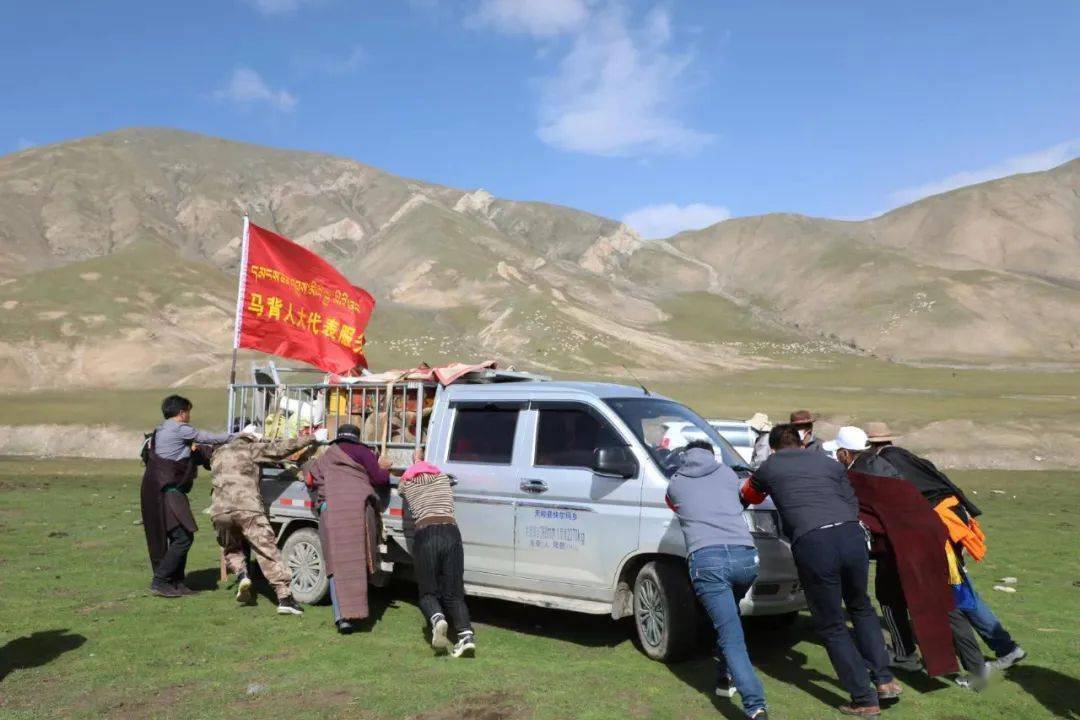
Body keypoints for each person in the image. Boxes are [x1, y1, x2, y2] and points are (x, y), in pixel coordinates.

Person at [741, 424, 900, 718]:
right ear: (802, 444)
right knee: (861, 606)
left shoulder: (769, 466)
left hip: (814, 541)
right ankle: (884, 680)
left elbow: (749, 496)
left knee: (831, 623)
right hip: (852, 535)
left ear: (774, 448)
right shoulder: (829, 463)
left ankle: (863, 698)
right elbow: (850, 500)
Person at [865, 423, 1026, 674]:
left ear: (870, 446)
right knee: (960, 591)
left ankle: (1005, 648)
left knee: (960, 595)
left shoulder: (887, 465)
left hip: (942, 530)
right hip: (953, 522)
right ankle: (1002, 647)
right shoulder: (907, 457)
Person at [835, 427, 984, 683]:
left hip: (901, 544)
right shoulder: (883, 463)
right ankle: (975, 667)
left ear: (844, 453)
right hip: (928, 536)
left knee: (891, 597)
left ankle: (906, 655)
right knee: (942, 600)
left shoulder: (859, 474)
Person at [666, 440, 768, 720]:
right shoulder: (726, 473)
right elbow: (742, 495)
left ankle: (755, 705)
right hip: (745, 558)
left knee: (730, 634)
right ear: (712, 455)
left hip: (708, 561)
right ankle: (724, 678)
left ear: (685, 457)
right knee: (729, 620)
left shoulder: (675, 482)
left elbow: (673, 506)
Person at [209, 424, 326, 616]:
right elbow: (280, 450)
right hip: (246, 507)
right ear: (254, 439)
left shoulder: (218, 453)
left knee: (231, 548)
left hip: (219, 510)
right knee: (267, 551)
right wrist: (311, 438)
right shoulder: (252, 449)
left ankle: (242, 574)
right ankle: (285, 598)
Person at [140, 394, 233, 598]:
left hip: (157, 490)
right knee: (183, 537)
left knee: (178, 537)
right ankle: (160, 581)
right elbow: (207, 437)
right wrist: (235, 437)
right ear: (182, 413)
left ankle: (177, 582)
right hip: (169, 492)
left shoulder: (160, 430)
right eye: (188, 411)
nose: (189, 415)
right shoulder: (180, 429)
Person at [305, 424, 392, 634]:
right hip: (358, 511)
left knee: (336, 563)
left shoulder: (327, 454)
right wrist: (384, 466)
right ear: (357, 438)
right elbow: (379, 479)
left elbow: (310, 478)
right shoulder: (364, 452)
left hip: (332, 511)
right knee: (357, 561)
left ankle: (342, 618)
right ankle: (358, 612)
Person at [399, 451, 476, 658]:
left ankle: (437, 618)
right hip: (451, 531)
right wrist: (421, 461)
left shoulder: (406, 483)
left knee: (428, 592)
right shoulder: (442, 478)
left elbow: (401, 488)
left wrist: (411, 467)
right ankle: (465, 636)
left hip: (427, 532)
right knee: (454, 593)